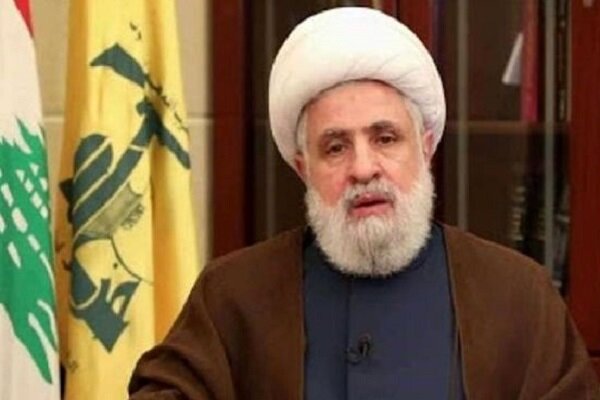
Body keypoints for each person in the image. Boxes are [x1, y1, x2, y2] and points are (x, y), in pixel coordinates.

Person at [128, 7, 599, 400]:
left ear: (426, 147)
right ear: (303, 168)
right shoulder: (233, 297)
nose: (363, 168)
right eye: (335, 147)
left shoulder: (519, 296)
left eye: (385, 138)